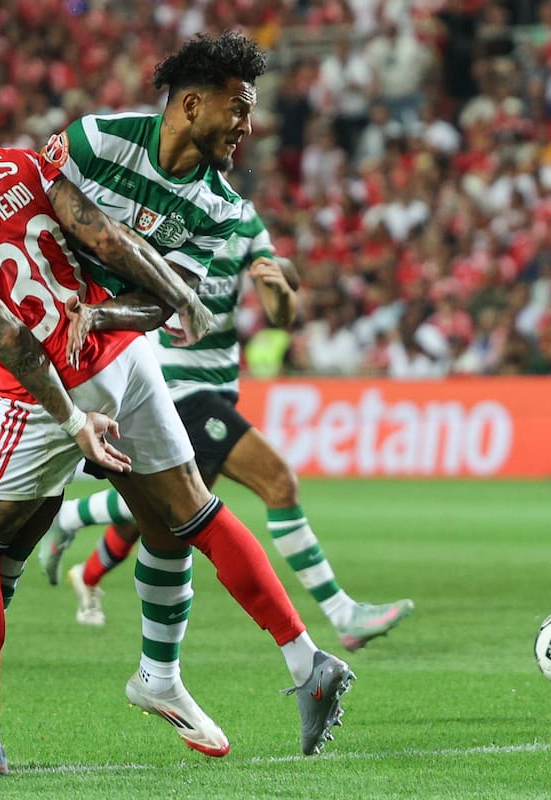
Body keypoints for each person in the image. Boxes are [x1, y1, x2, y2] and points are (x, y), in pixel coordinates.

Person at [0, 31, 354, 767]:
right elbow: (42, 220)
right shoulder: (96, 143)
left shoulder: (217, 206)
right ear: (191, 103)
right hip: (80, 358)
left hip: (76, 361)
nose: (248, 124)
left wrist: (102, 315)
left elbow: (161, 302)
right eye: (239, 108)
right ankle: (284, 664)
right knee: (179, 515)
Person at [44, 198, 415, 654]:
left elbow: (282, 313)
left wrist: (276, 286)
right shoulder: (158, 210)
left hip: (221, 385)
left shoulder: (242, 217)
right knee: (279, 483)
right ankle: (342, 614)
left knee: (172, 509)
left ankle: (77, 535)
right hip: (176, 385)